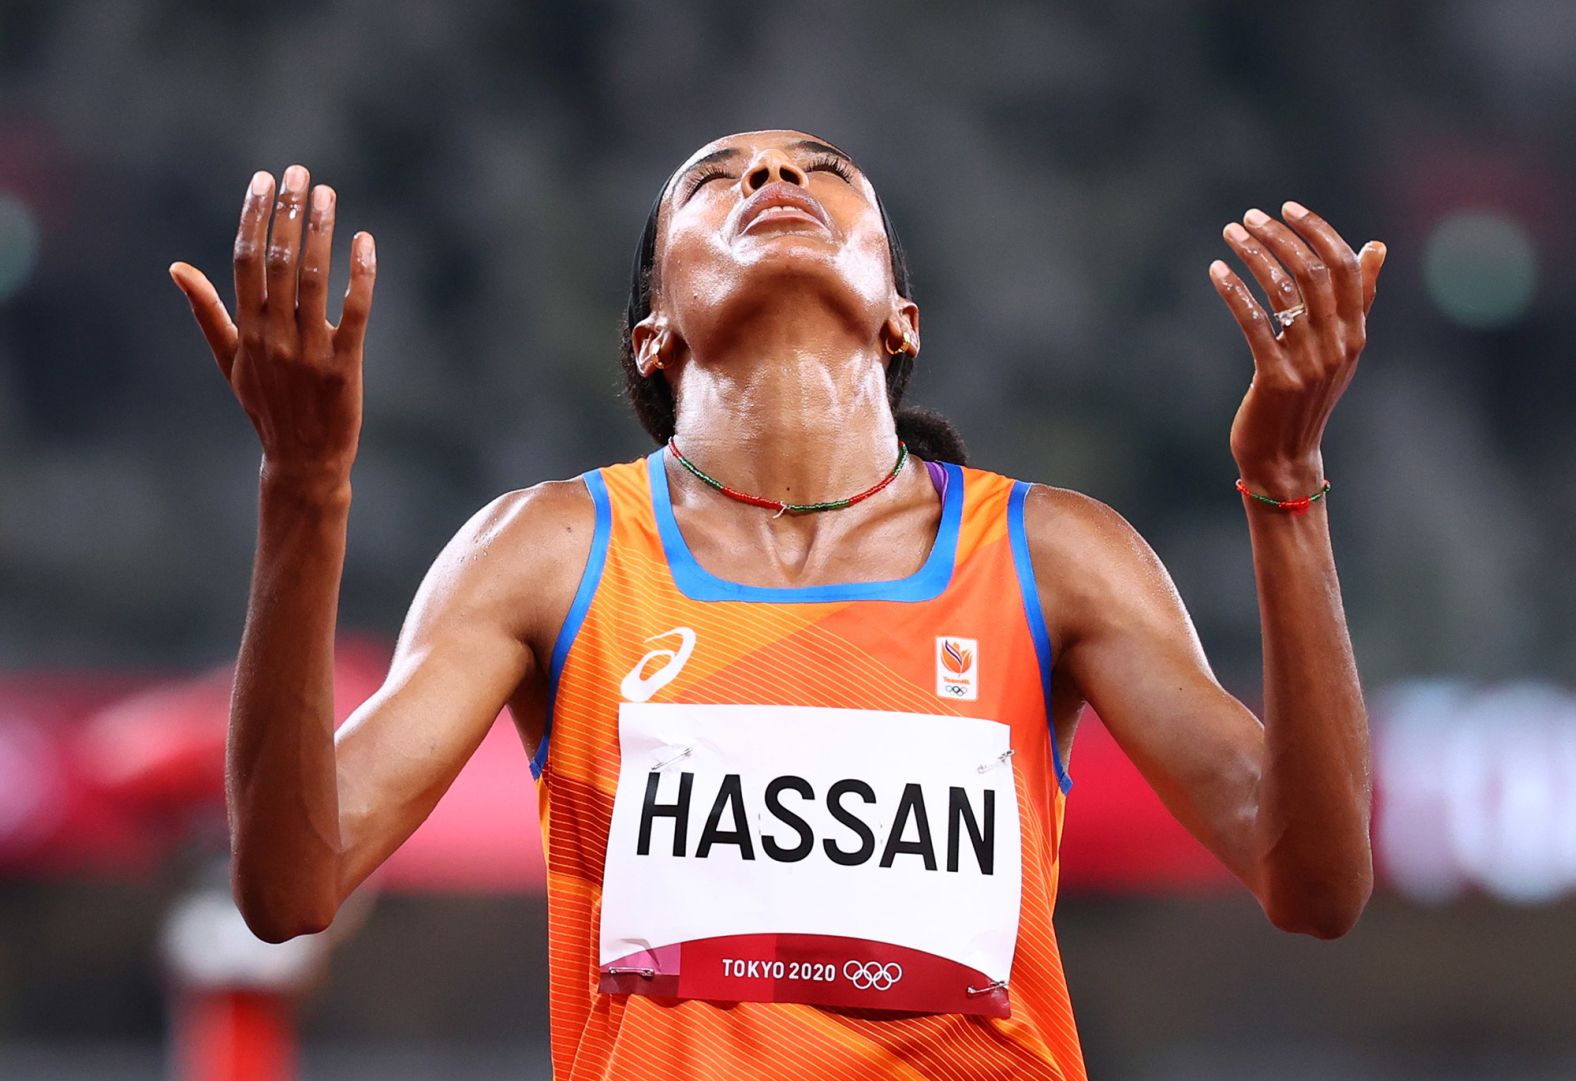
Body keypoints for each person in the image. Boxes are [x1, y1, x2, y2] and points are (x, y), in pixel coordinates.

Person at [168, 129, 1386, 1081]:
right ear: (652, 334)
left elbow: (1315, 883)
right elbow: (288, 887)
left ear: (900, 314)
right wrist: (304, 487)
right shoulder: (548, 551)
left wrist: (1287, 489)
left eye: (823, 171)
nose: (772, 175)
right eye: (715, 178)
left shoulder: (1048, 552)